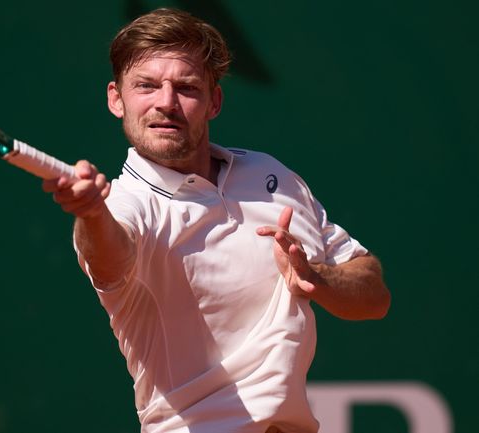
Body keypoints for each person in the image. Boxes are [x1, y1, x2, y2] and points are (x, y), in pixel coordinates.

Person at [43, 8, 390, 433]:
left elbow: (375, 296)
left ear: (214, 101)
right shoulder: (126, 205)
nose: (166, 103)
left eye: (186, 88)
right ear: (116, 99)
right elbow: (109, 258)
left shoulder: (273, 177)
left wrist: (316, 276)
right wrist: (92, 213)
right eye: (146, 86)